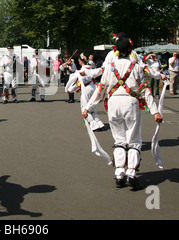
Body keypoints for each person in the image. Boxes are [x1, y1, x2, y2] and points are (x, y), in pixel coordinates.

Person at [82, 37, 162, 190]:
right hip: (130, 102)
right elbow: (145, 90)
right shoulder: (136, 67)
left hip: (113, 104)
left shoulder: (110, 67)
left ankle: (119, 174)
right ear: (130, 51)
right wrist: (155, 111)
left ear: (116, 51)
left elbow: (101, 90)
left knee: (119, 139)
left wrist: (87, 108)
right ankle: (131, 173)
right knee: (134, 139)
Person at [67, 53, 105, 131]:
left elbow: (80, 82)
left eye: (79, 60)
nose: (78, 61)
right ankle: (99, 123)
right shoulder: (91, 67)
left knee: (85, 108)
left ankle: (94, 125)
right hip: (93, 88)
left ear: (81, 60)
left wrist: (70, 89)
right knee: (92, 108)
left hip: (87, 89)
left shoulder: (83, 70)